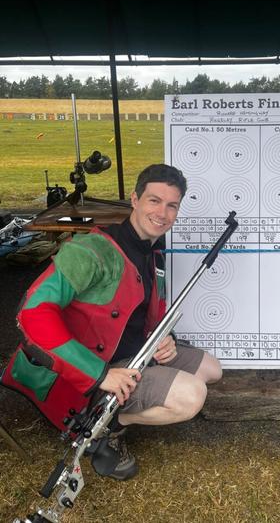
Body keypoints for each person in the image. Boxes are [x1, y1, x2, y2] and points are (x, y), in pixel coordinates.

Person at [1, 164, 222, 480]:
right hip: (90, 372)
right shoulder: (90, 251)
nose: (162, 213)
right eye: (154, 200)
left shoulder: (153, 249)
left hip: (135, 354)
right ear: (135, 199)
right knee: (192, 396)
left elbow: (151, 310)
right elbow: (32, 314)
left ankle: (129, 405)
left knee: (212, 370)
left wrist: (166, 337)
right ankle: (113, 426)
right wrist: (100, 374)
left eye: (172, 205)